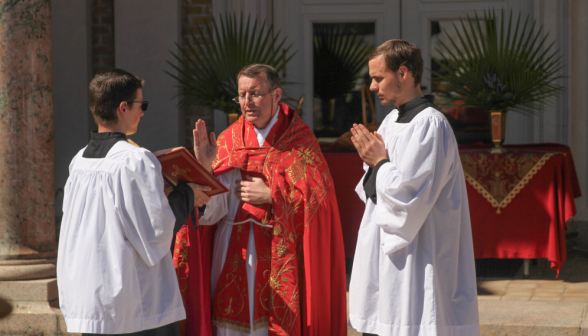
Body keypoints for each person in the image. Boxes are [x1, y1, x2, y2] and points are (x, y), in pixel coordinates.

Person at [190, 64, 347, 335]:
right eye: (241, 95)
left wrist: (273, 196)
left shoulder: (299, 141)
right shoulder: (228, 141)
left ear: (276, 95)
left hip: (281, 249)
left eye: (255, 93)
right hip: (231, 248)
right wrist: (205, 171)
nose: (247, 102)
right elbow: (211, 212)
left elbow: (318, 203)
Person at [57, 68, 211, 335]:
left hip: (89, 297)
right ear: (123, 107)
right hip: (132, 304)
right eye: (142, 105)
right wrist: (187, 194)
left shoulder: (79, 160)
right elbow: (155, 235)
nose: (142, 112)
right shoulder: (134, 160)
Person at [348, 40, 480, 336]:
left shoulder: (430, 125)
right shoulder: (391, 120)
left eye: (378, 78)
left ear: (403, 73)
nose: (371, 86)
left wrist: (378, 162)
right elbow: (375, 192)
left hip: (420, 255)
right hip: (384, 253)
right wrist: (374, 163)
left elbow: (410, 199)